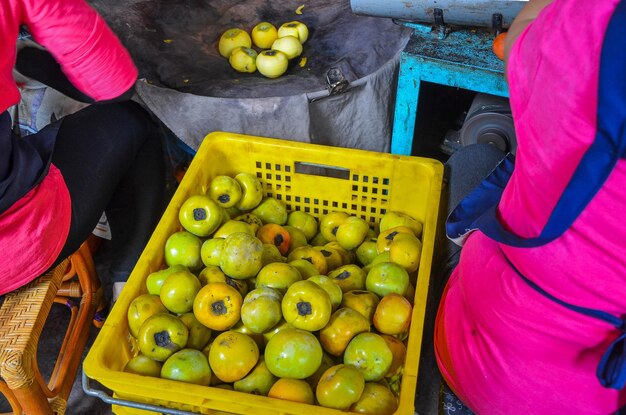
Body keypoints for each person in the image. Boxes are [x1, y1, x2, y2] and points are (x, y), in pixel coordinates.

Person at [434, 0, 626, 414]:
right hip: (585, 396)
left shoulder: (597, 26)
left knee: (469, 164)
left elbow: (523, 32)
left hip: (469, 356)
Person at [0, 0, 166, 307]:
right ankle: (127, 295)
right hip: (14, 245)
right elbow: (113, 85)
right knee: (131, 124)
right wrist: (31, 60)